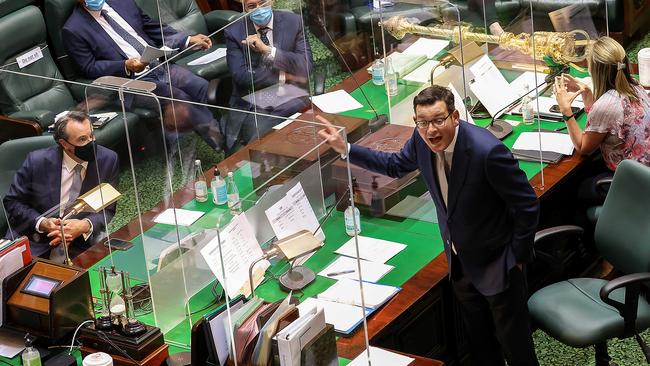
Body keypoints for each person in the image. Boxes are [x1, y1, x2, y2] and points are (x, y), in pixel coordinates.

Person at [318, 85, 540, 366]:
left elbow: (527, 205)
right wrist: (346, 149)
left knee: (517, 349)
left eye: (438, 120)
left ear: (455, 117)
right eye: (422, 122)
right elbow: (396, 165)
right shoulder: (421, 139)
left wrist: (516, 258)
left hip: (499, 266)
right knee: (481, 348)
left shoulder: (487, 151)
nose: (431, 130)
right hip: (460, 266)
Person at [62, 0, 224, 151]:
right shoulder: (73, 29)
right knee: (179, 99)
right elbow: (88, 67)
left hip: (158, 65)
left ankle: (226, 132)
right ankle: (223, 143)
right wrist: (124, 65)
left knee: (201, 87)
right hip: (132, 81)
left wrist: (187, 39)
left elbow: (151, 26)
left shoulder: (122, 2)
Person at [3, 111, 119, 262]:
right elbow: (13, 202)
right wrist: (43, 223)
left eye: (92, 135)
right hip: (34, 239)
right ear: (64, 144)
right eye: (82, 139)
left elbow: (108, 209)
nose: (91, 142)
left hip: (80, 242)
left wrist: (84, 225)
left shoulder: (108, 160)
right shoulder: (37, 161)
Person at [224, 0, 313, 152]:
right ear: (244, 8)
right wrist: (284, 74)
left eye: (262, 3)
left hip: (289, 93)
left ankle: (247, 154)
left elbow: (305, 66)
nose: (259, 9)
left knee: (257, 132)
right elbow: (242, 77)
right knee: (253, 129)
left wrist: (267, 50)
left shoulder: (293, 21)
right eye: (252, 6)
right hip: (253, 96)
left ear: (271, 1)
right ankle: (247, 155)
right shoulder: (234, 32)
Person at [554, 36, 650, 173]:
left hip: (632, 181)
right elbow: (603, 121)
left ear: (594, 70)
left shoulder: (606, 105)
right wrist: (587, 94)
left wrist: (565, 110)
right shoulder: (634, 85)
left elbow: (583, 148)